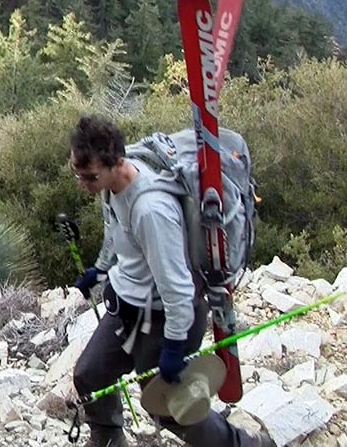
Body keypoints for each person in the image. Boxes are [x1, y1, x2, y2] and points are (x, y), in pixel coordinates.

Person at [68, 115, 273, 447]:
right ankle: (108, 441)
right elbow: (117, 233)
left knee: (171, 408)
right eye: (77, 174)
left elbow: (178, 290)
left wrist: (175, 346)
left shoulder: (152, 210)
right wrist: (102, 270)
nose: (83, 183)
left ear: (117, 163)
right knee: (89, 376)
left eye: (89, 176)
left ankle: (247, 445)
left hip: (164, 318)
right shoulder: (111, 187)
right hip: (128, 309)